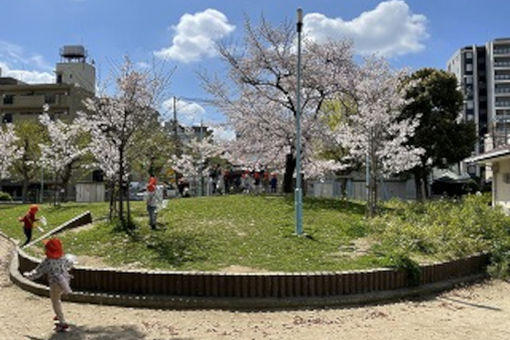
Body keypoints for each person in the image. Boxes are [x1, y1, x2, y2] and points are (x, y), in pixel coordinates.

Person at [23, 238, 75, 332]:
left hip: (55, 284)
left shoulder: (48, 261)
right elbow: (70, 264)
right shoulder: (63, 258)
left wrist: (28, 276)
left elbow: (38, 272)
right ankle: (58, 313)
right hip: (65, 281)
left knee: (55, 301)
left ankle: (62, 323)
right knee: (58, 298)